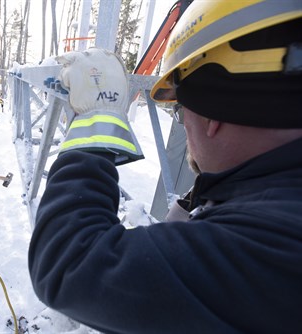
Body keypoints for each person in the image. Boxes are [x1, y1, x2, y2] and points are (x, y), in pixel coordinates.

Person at [28, 1, 302, 333]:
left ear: (211, 114)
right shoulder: (279, 203)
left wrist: (95, 121)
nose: (183, 123)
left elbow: (70, 263)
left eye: (180, 109)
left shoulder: (268, 241)